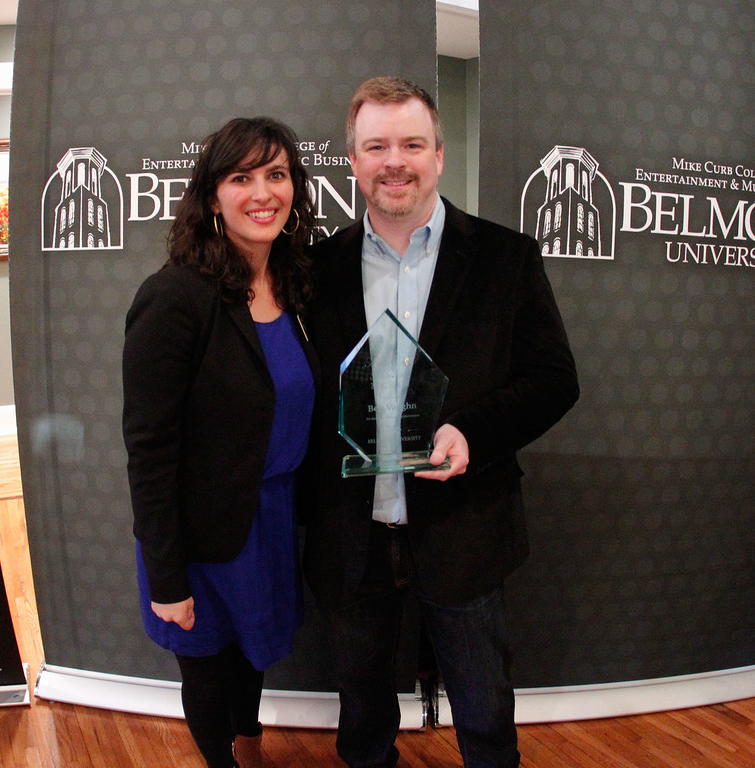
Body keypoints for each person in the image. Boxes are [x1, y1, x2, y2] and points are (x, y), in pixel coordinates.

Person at [303, 77, 579, 768]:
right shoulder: (312, 267)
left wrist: (472, 434)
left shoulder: (504, 258)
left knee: (485, 712)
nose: (395, 160)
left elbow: (554, 381)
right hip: (350, 535)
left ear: (439, 155)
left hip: (464, 527)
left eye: (411, 144)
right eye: (376, 146)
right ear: (354, 159)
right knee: (362, 713)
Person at [122, 117, 318, 768]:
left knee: (252, 654)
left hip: (272, 520)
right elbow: (149, 451)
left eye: (277, 174)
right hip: (201, 536)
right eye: (242, 177)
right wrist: (168, 575)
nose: (263, 192)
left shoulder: (296, 288)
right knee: (207, 669)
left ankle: (250, 745)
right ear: (211, 197)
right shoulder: (174, 297)